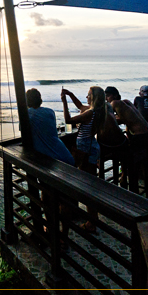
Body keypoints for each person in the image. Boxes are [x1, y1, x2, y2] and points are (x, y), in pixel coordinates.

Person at [61, 86, 107, 232]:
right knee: (90, 183)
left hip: (85, 147)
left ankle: (91, 223)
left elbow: (68, 120)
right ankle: (93, 219)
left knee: (87, 187)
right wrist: (70, 94)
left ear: (93, 98)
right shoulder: (98, 110)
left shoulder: (90, 113)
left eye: (88, 95)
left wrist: (64, 102)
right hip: (93, 146)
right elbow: (80, 106)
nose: (86, 98)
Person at [109, 97, 148, 200]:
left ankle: (134, 199)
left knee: (132, 171)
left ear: (108, 97)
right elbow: (128, 121)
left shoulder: (114, 102)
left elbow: (114, 120)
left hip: (140, 137)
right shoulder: (127, 103)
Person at [26, 88, 75, 165]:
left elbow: (24, 132)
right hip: (64, 153)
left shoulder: (28, 114)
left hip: (51, 159)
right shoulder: (50, 111)